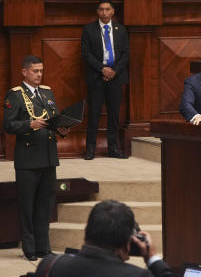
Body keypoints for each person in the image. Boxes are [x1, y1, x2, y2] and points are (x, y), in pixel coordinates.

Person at [3, 55, 64, 261]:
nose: (39, 74)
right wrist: (29, 124)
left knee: (44, 205)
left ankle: (43, 248)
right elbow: (8, 125)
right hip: (28, 160)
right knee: (27, 205)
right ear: (24, 72)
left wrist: (63, 127)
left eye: (41, 70)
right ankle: (29, 249)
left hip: (48, 157)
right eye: (35, 71)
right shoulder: (15, 96)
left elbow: (53, 118)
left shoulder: (47, 92)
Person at [35, 199, 174, 276]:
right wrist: (153, 259)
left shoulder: (51, 265)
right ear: (127, 243)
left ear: (86, 232)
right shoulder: (137, 275)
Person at [81, 0, 130, 160]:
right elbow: (86, 53)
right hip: (97, 77)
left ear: (112, 11)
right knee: (94, 114)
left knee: (114, 115)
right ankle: (90, 150)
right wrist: (102, 69)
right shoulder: (89, 29)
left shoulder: (121, 30)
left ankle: (113, 149)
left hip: (116, 78)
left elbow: (125, 54)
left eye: (107, 9)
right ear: (97, 12)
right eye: (101, 9)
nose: (104, 12)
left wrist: (113, 71)